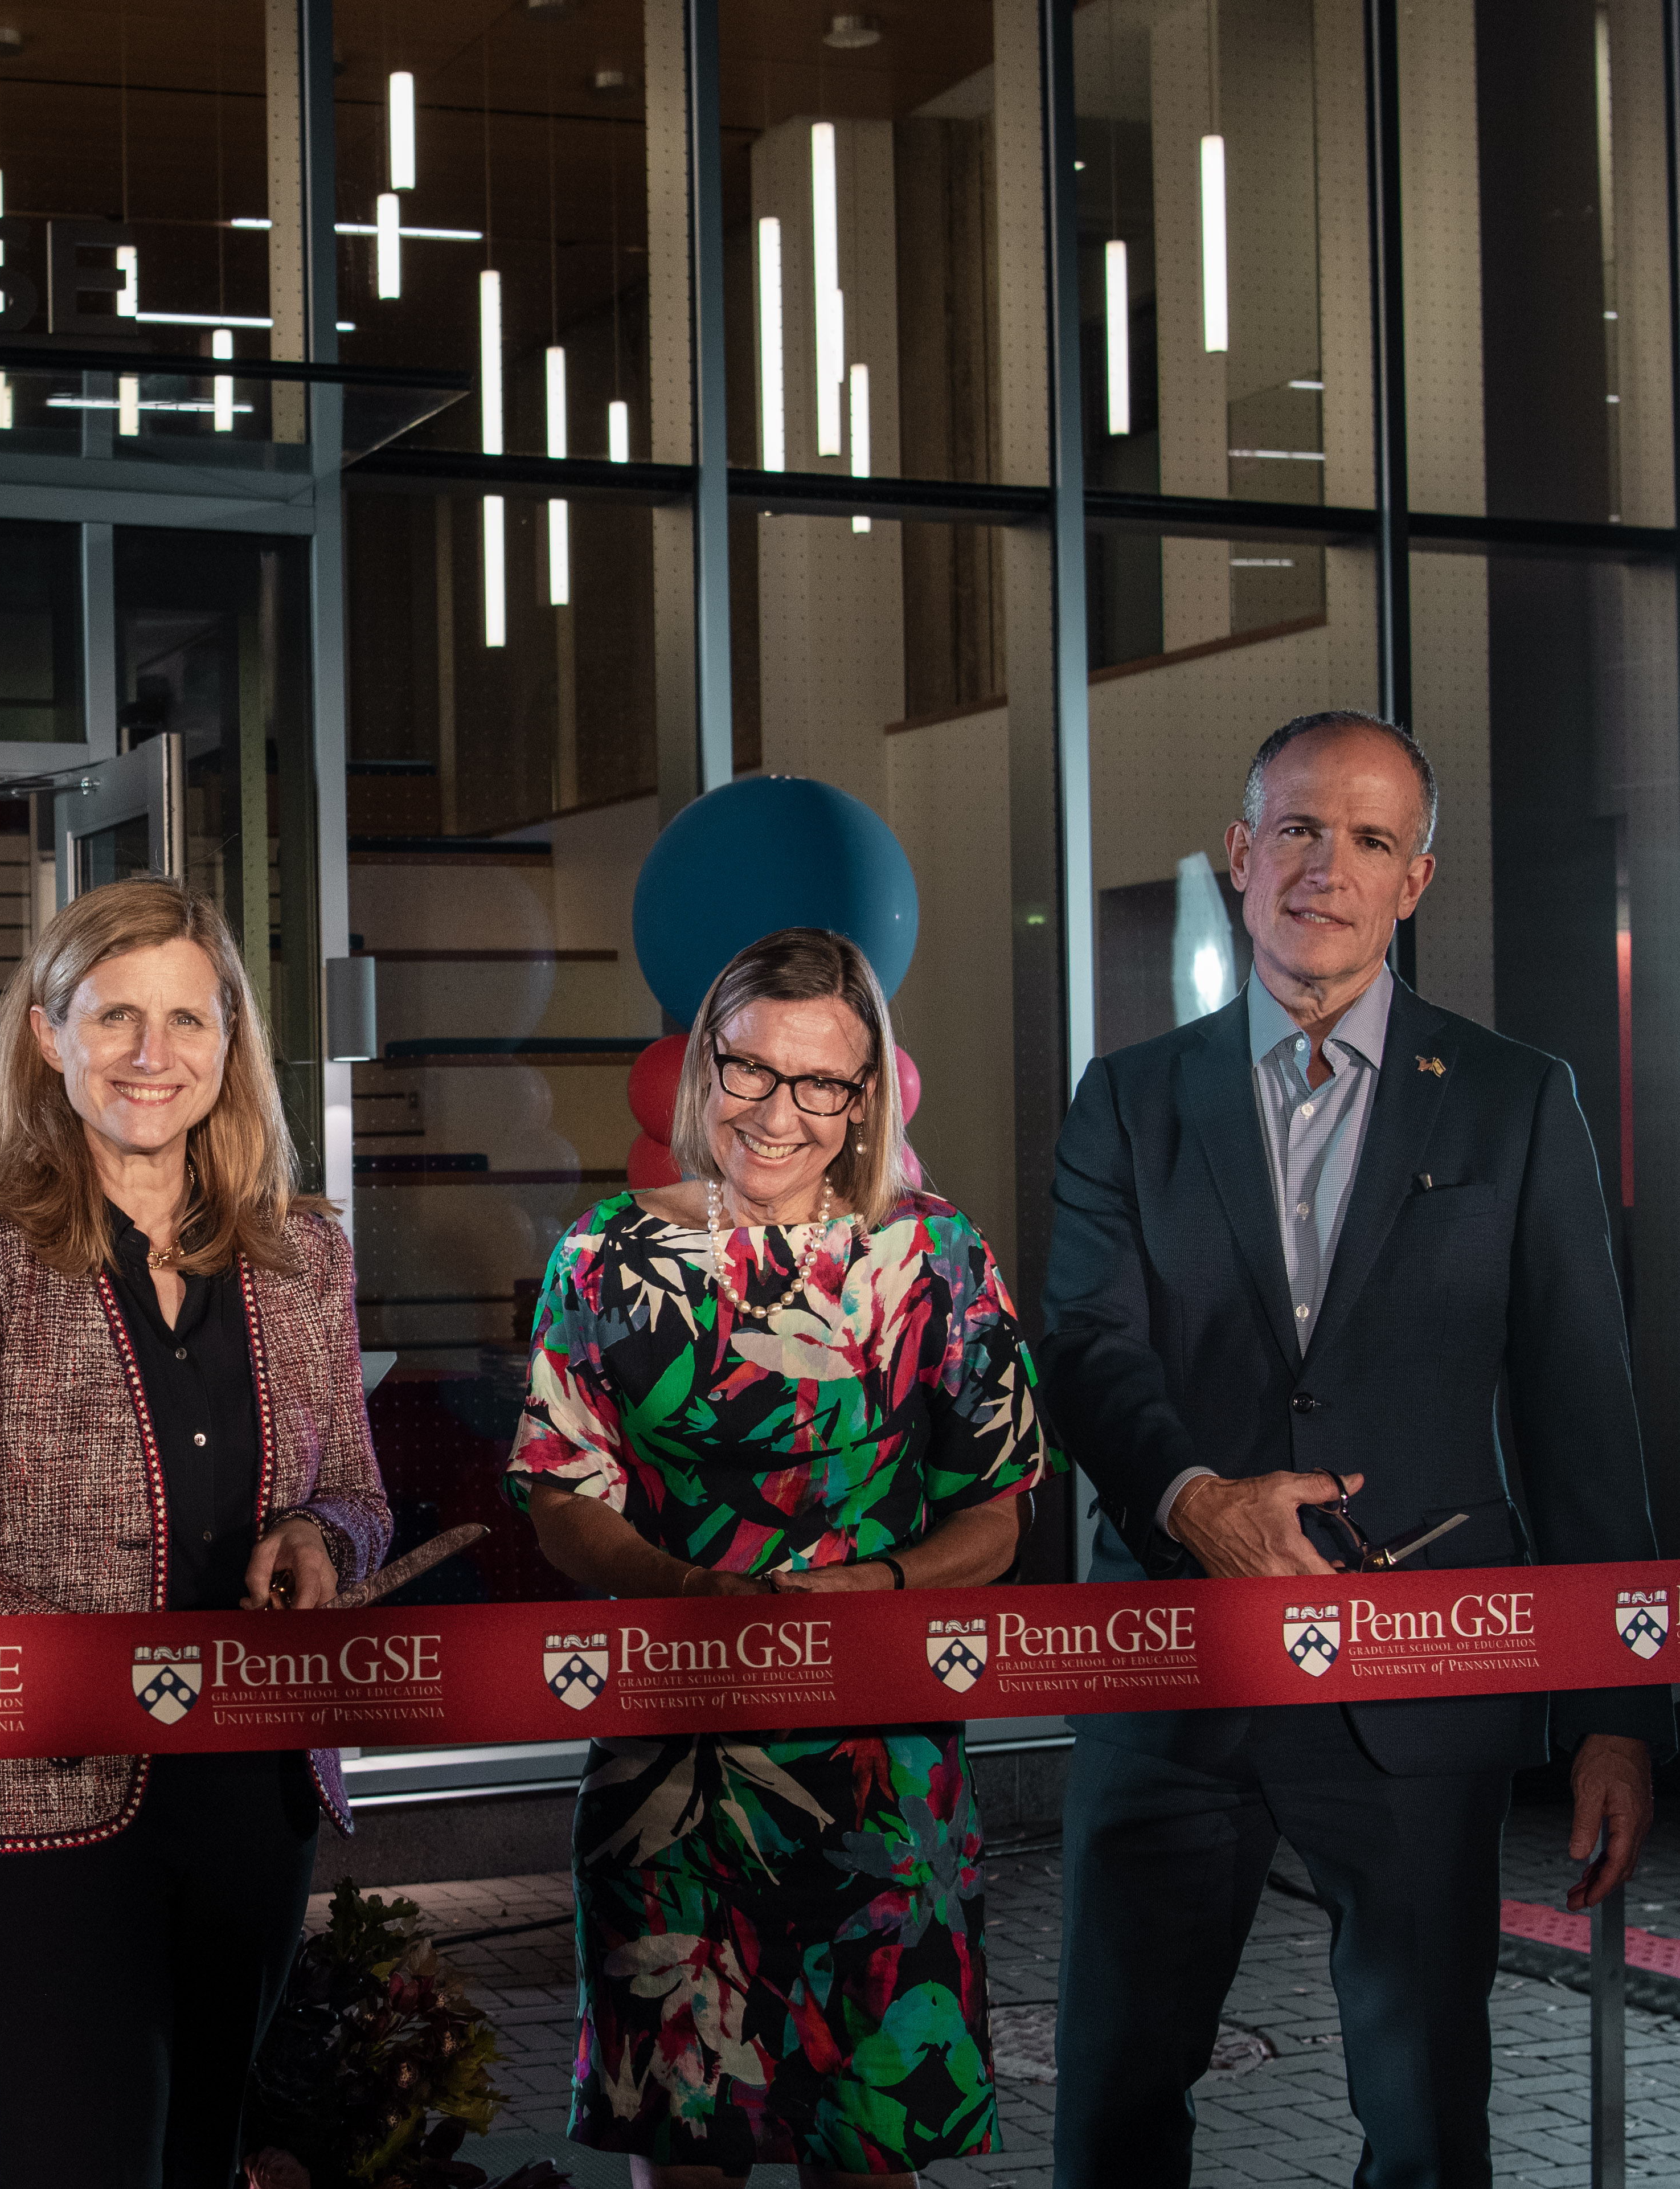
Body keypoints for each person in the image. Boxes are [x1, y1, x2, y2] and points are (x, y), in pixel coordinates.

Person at [1040, 709, 1668, 2189]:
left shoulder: (1519, 1103)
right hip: (1167, 1666)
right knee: (1114, 2108)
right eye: (1299, 831)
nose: (1328, 866)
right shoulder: (1123, 1103)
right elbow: (1085, 1349)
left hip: (1420, 1680)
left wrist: (1615, 1712)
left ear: (1415, 879)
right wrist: (1195, 1501)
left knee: (1428, 2117)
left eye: (1369, 839)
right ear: (1236, 853)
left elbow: (1583, 1411)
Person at [0, 876, 392, 2189]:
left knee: (196, 2161)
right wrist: (107, 1671)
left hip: (245, 1805)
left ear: (230, 1042)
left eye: (187, 1020)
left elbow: (364, 1497)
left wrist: (322, 1537)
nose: (153, 1057)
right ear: (48, 1035)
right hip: (36, 1809)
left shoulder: (301, 1253)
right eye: (115, 1018)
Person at [505, 926, 1054, 2188]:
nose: (778, 1112)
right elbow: (559, 1497)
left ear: (864, 1099)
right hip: (669, 1767)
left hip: (880, 1773)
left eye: (821, 1083)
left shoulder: (938, 1259)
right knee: (685, 2156)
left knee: (870, 2157)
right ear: (702, 1063)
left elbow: (996, 1514)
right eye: (749, 1069)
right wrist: (690, 1591)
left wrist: (880, 1585)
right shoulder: (601, 1257)